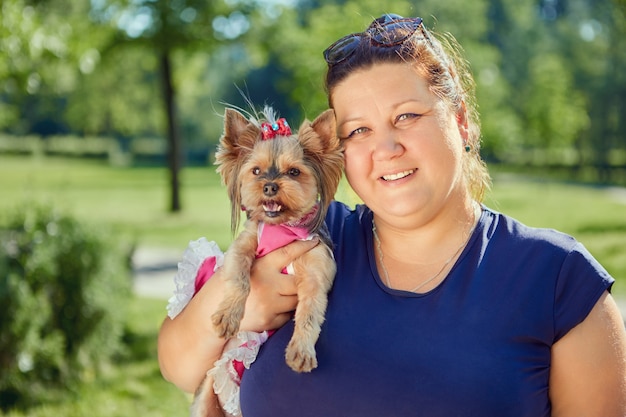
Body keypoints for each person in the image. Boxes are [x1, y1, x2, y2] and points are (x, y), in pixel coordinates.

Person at [158, 13, 626, 416]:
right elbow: (179, 366)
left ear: (460, 120)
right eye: (359, 130)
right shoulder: (306, 238)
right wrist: (245, 306)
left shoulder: (557, 280)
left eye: (406, 117)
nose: (386, 148)